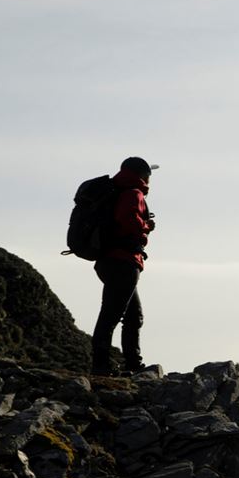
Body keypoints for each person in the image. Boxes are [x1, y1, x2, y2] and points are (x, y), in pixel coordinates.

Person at [91, 156, 156, 375]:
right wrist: (146, 226)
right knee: (111, 315)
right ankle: (101, 366)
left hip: (108, 260)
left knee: (132, 315)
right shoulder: (133, 193)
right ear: (143, 175)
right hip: (124, 261)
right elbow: (128, 220)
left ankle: (132, 363)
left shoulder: (117, 190)